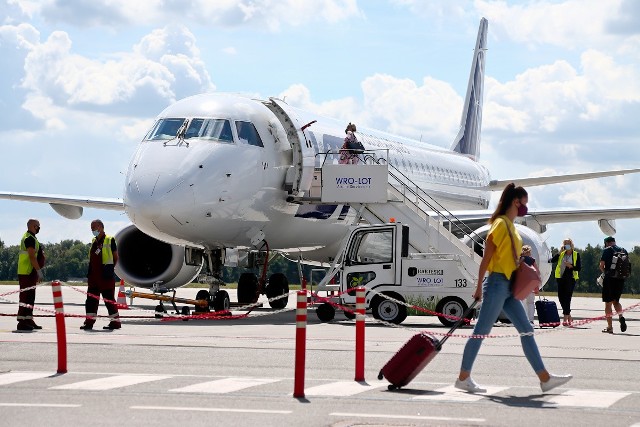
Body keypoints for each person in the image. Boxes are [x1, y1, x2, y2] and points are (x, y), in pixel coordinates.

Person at [455, 183, 572, 393]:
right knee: (481, 331)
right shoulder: (500, 225)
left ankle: (544, 378)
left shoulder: (511, 226)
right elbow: (487, 258)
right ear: (515, 202)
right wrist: (479, 286)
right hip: (497, 284)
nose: (525, 208)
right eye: (524, 204)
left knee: (527, 329)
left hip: (508, 285)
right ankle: (463, 377)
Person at [80, 219, 121, 330]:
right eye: (91, 227)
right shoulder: (94, 241)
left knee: (109, 300)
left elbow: (115, 257)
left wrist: (109, 269)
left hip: (105, 276)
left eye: (94, 227)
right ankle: (89, 322)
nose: (92, 229)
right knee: (91, 301)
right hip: (93, 277)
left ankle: (115, 323)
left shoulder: (109, 239)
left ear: (101, 227)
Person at [16, 219, 45, 332]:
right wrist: (39, 271)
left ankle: (28, 319)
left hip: (30, 273)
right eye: (38, 226)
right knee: (25, 297)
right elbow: (32, 257)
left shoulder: (32, 238)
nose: (39, 228)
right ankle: (22, 322)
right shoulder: (29, 239)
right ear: (33, 226)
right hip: (26, 272)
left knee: (30, 298)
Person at [549, 238, 581, 326]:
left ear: (571, 245)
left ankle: (565, 318)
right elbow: (552, 260)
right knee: (561, 296)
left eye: (568, 244)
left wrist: (570, 266)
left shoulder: (575, 254)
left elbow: (578, 268)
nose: (566, 245)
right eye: (565, 244)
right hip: (560, 277)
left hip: (571, 277)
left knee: (567, 297)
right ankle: (569, 315)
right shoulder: (562, 254)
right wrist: (559, 252)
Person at [599, 236, 627, 334]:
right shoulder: (623, 250)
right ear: (614, 242)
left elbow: (601, 265)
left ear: (606, 243)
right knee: (616, 301)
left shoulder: (607, 250)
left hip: (609, 279)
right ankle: (621, 316)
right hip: (620, 279)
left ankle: (610, 327)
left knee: (608, 303)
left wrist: (605, 273)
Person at [520, 245, 538, 324]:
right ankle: (531, 320)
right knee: (530, 303)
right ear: (529, 252)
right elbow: (536, 273)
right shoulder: (532, 260)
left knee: (522, 302)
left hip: (521, 284)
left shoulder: (519, 260)